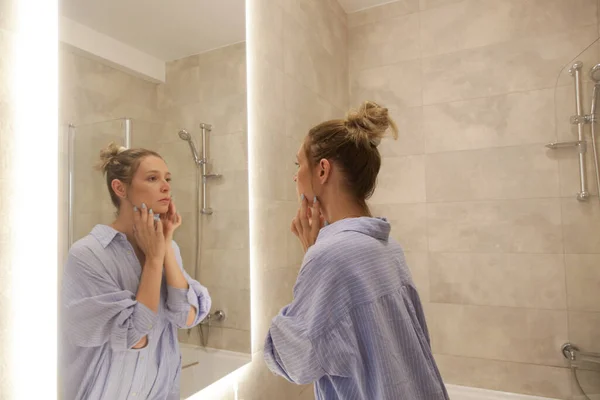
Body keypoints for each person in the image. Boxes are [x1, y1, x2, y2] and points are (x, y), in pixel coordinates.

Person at [264, 101, 449, 399]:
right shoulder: (387, 247)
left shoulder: (330, 256)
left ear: (322, 170)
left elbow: (291, 360)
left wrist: (312, 254)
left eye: (298, 164)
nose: (295, 176)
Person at [61, 143, 211, 400]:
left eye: (167, 179)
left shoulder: (168, 247)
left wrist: (165, 246)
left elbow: (186, 317)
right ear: (120, 188)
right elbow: (135, 336)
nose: (166, 186)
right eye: (153, 178)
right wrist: (154, 260)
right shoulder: (89, 254)